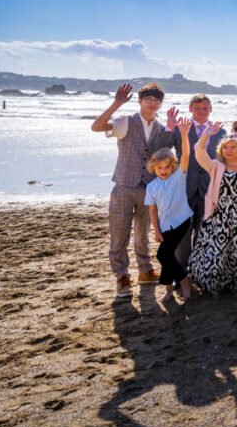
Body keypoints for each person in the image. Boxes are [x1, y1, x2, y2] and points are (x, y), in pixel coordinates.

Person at [91, 83, 174, 298]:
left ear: (160, 103)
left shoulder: (162, 128)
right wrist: (116, 103)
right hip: (124, 186)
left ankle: (145, 271)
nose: (152, 103)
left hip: (149, 188)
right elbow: (97, 127)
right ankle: (122, 276)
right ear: (140, 100)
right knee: (119, 233)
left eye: (157, 100)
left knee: (143, 233)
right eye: (148, 99)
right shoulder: (125, 121)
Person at [190, 122, 237, 294]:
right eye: (226, 148)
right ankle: (215, 284)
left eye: (233, 147)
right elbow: (199, 153)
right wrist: (206, 136)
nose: (229, 151)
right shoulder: (215, 166)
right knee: (218, 249)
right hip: (220, 215)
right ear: (221, 150)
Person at [163, 94, 226, 269]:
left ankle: (198, 270)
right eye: (197, 108)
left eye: (205, 108)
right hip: (183, 188)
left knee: (204, 232)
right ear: (190, 109)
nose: (201, 112)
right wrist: (169, 127)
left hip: (208, 189)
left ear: (211, 109)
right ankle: (182, 273)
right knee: (182, 234)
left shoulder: (219, 132)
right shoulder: (180, 128)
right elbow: (163, 148)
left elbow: (225, 158)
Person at [145, 117, 195, 302]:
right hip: (165, 226)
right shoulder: (152, 187)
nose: (164, 170)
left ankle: (183, 281)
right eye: (159, 168)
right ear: (154, 168)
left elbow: (186, 156)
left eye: (167, 167)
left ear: (172, 166)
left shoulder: (178, 177)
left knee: (163, 254)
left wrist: (183, 135)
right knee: (167, 256)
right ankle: (168, 289)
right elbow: (152, 210)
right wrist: (156, 230)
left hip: (182, 220)